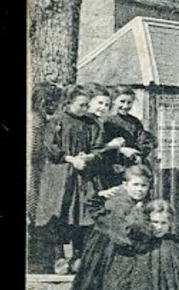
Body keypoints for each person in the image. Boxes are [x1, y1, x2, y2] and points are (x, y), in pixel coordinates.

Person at [65, 164, 153, 290]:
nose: (140, 189)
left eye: (144, 186)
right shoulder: (121, 203)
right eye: (136, 184)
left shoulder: (133, 203)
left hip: (110, 253)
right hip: (110, 256)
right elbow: (124, 233)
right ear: (125, 184)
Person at [37, 85, 123, 273]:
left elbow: (98, 148)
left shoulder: (92, 124)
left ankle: (77, 255)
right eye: (81, 105)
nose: (84, 109)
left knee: (81, 215)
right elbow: (50, 147)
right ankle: (58, 256)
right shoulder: (57, 121)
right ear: (69, 103)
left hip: (83, 176)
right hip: (60, 175)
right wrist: (70, 159)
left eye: (86, 105)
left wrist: (89, 157)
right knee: (59, 213)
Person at [100, 86, 152, 188]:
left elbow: (143, 140)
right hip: (112, 166)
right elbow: (100, 145)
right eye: (122, 101)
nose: (125, 106)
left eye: (129, 103)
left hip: (132, 166)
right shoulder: (105, 121)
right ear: (114, 100)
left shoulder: (134, 122)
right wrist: (120, 150)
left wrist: (139, 154)